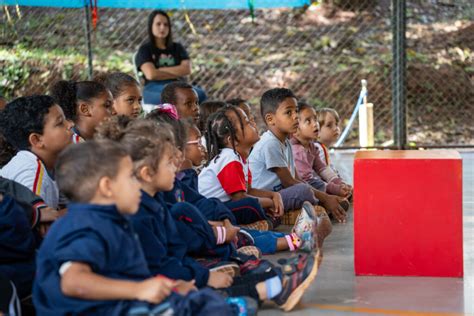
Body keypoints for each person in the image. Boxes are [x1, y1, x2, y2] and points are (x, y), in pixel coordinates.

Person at [33, 140, 242, 316]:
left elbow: (126, 274)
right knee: (200, 307)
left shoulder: (112, 220)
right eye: (130, 178)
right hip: (95, 310)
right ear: (107, 187)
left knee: (192, 297)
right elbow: (74, 282)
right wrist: (139, 289)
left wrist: (168, 286)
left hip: (117, 304)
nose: (138, 185)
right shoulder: (82, 225)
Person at [199, 105, 317, 253]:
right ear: (233, 140)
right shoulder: (229, 158)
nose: (253, 124)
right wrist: (270, 203)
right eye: (247, 122)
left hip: (223, 209)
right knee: (249, 210)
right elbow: (239, 198)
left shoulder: (240, 157)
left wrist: (274, 196)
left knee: (248, 227)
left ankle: (297, 238)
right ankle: (298, 240)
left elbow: (247, 189)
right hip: (209, 214)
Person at [0, 96, 73, 209]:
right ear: (37, 140)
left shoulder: (53, 164)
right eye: (60, 123)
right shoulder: (30, 172)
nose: (70, 125)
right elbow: (38, 223)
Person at [135, 10, 206, 105]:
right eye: (158, 24)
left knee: (201, 94)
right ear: (151, 26)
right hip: (153, 87)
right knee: (174, 99)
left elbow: (186, 69)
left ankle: (192, 119)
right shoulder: (145, 49)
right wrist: (176, 72)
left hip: (177, 85)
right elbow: (151, 75)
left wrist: (159, 70)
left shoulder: (177, 47)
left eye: (166, 24)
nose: (162, 27)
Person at [291, 102, 352, 198]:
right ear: (295, 129)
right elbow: (307, 181)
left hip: (312, 186)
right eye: (308, 121)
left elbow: (323, 169)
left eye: (315, 119)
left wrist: (340, 183)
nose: (315, 124)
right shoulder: (297, 151)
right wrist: (334, 189)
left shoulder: (311, 147)